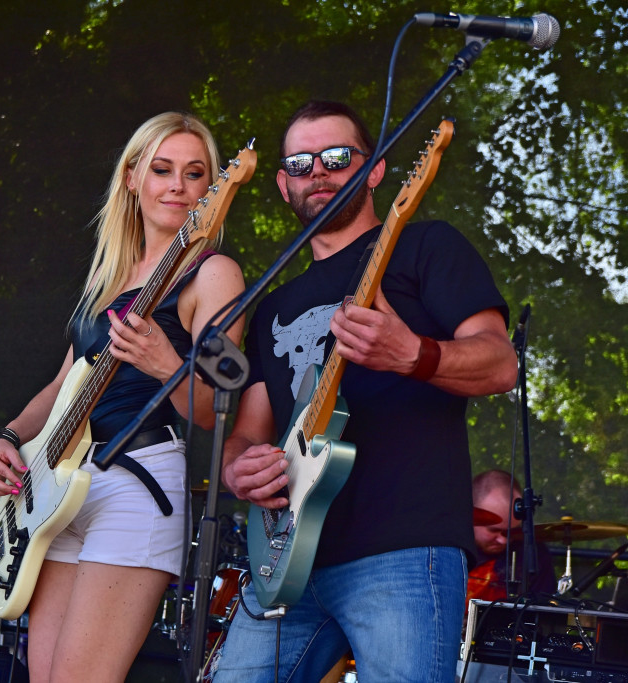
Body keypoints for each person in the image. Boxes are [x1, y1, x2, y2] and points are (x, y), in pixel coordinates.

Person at [214, 100, 519, 682]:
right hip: (284, 560)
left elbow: (500, 363)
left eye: (335, 158)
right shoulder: (273, 307)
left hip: (404, 551)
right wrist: (237, 469)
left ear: (375, 169)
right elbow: (248, 435)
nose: (318, 174)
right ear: (282, 185)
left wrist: (414, 354)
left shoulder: (425, 246)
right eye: (300, 164)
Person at [0, 111, 246, 683]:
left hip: (138, 485)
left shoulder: (213, 273)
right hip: (59, 489)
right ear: (132, 179)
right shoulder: (110, 277)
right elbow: (61, 387)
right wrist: (6, 438)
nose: (177, 185)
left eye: (195, 173)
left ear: (211, 191)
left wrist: (166, 363)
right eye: (162, 169)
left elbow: (215, 408)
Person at [468, 468, 557, 603]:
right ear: (471, 516)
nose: (504, 540)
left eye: (513, 530)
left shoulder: (534, 554)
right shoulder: (449, 550)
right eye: (494, 530)